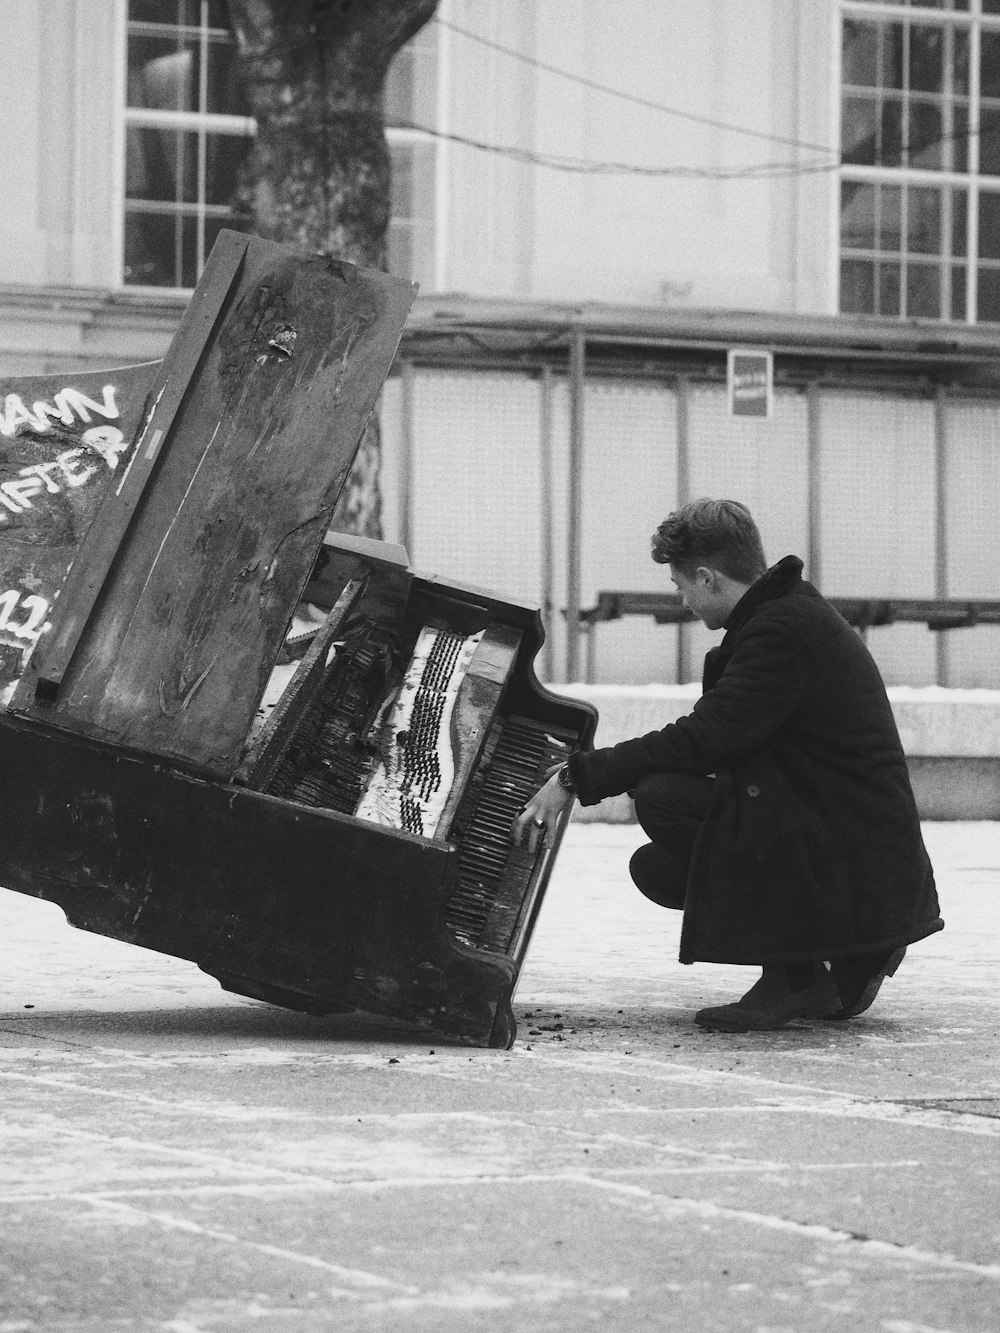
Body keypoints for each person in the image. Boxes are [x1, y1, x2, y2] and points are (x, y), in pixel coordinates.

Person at [512, 498, 943, 1032]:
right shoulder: (784, 614)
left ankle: (806, 972)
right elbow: (728, 740)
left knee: (663, 796)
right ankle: (842, 957)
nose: (685, 601)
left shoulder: (779, 632)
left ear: (707, 577)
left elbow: (705, 737)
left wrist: (575, 777)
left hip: (859, 861)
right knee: (660, 869)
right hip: (849, 844)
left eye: (681, 586)